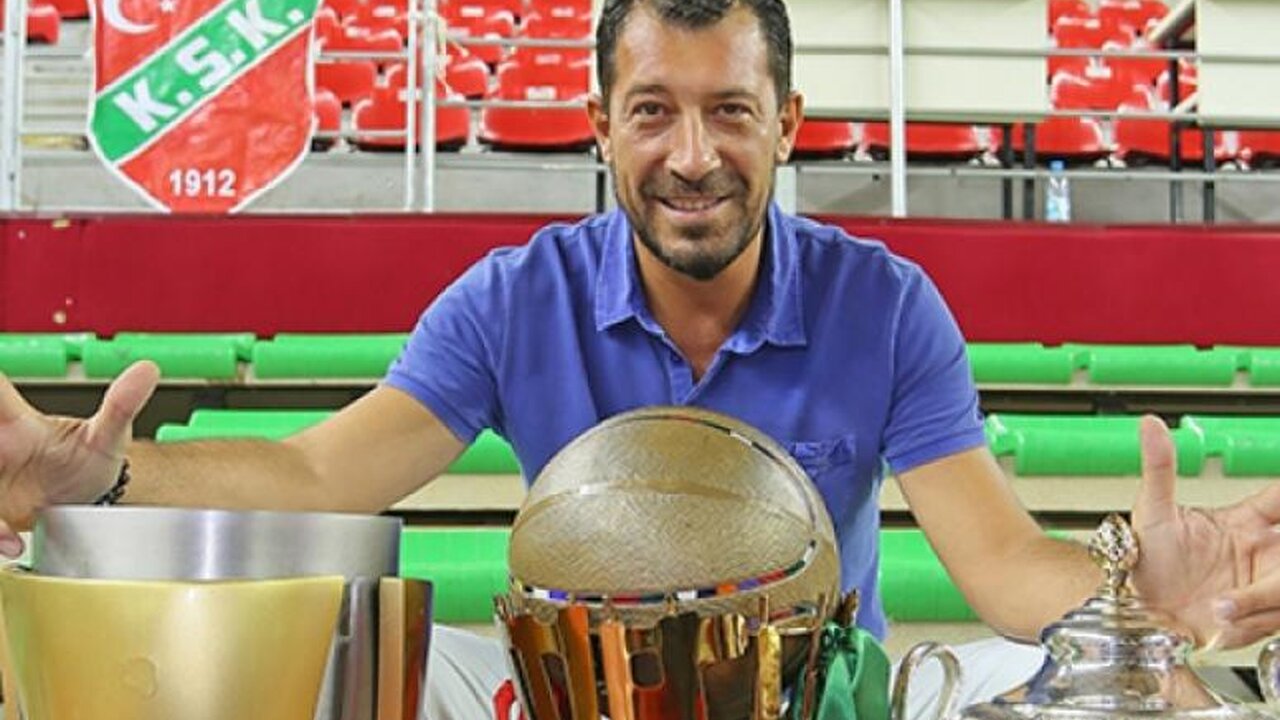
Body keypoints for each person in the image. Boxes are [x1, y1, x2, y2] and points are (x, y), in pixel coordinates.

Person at [1, 0, 1279, 716]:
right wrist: (97, 476)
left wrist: (1126, 599)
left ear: (786, 125)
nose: (691, 155)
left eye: (730, 112)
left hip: (815, 699)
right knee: (348, 652)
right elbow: (317, 476)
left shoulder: (884, 304)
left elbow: (998, 574)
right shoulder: (514, 297)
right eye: (653, 112)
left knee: (1144, 694)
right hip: (570, 696)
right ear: (601, 126)